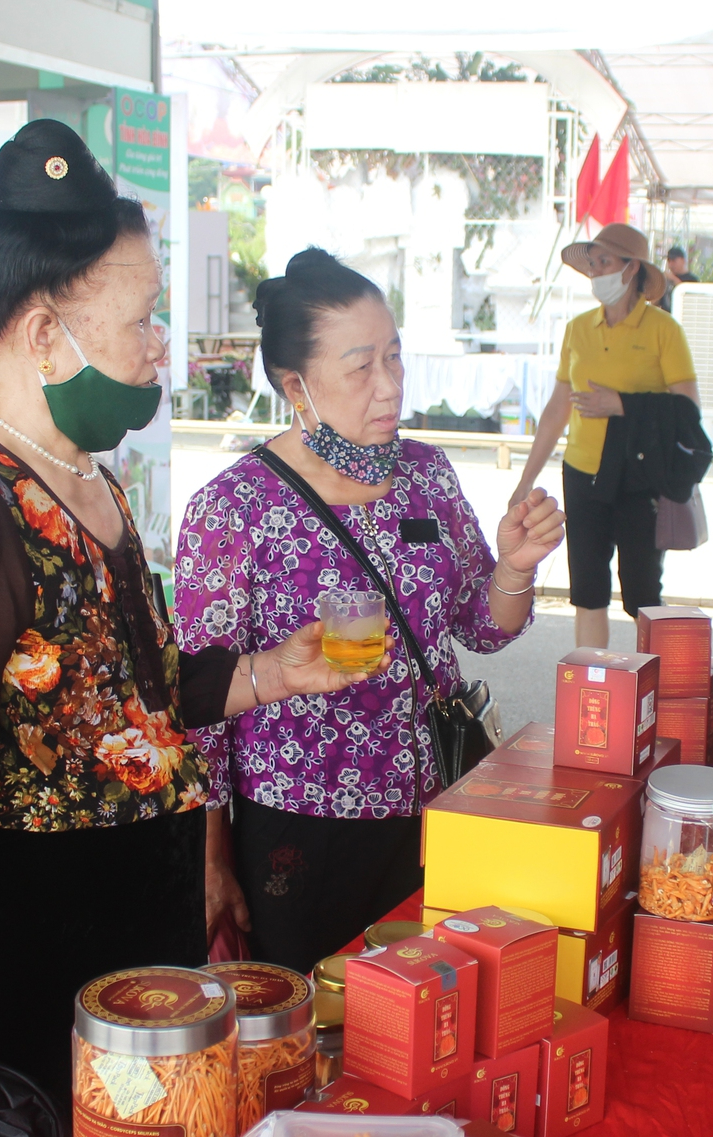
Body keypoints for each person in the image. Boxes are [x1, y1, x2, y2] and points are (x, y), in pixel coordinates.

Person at [0, 122, 362, 1132]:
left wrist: (272, 671)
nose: (159, 348)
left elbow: (129, 690)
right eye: (141, 319)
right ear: (45, 334)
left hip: (130, 925)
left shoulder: (86, 477)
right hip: (38, 929)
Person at [176, 247, 566, 973]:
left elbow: (481, 626)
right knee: (311, 1026)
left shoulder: (426, 474)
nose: (389, 387)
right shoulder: (232, 509)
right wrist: (210, 858)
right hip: (300, 824)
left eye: (395, 358)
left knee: (424, 1008)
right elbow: (202, 705)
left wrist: (514, 565)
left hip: (434, 804)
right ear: (297, 385)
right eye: (361, 367)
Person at [514, 223, 700, 648]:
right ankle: (591, 692)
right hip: (583, 474)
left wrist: (622, 404)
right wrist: (525, 481)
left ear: (632, 268)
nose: (597, 271)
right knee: (588, 592)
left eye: (606, 262)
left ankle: (651, 693)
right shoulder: (578, 330)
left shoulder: (663, 330)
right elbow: (556, 410)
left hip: (640, 478)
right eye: (593, 263)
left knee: (642, 596)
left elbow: (689, 412)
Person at [660, 245, 698, 312]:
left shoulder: (693, 280)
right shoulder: (666, 279)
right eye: (669, 261)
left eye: (674, 260)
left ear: (683, 260)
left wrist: (673, 279)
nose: (671, 264)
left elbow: (690, 300)